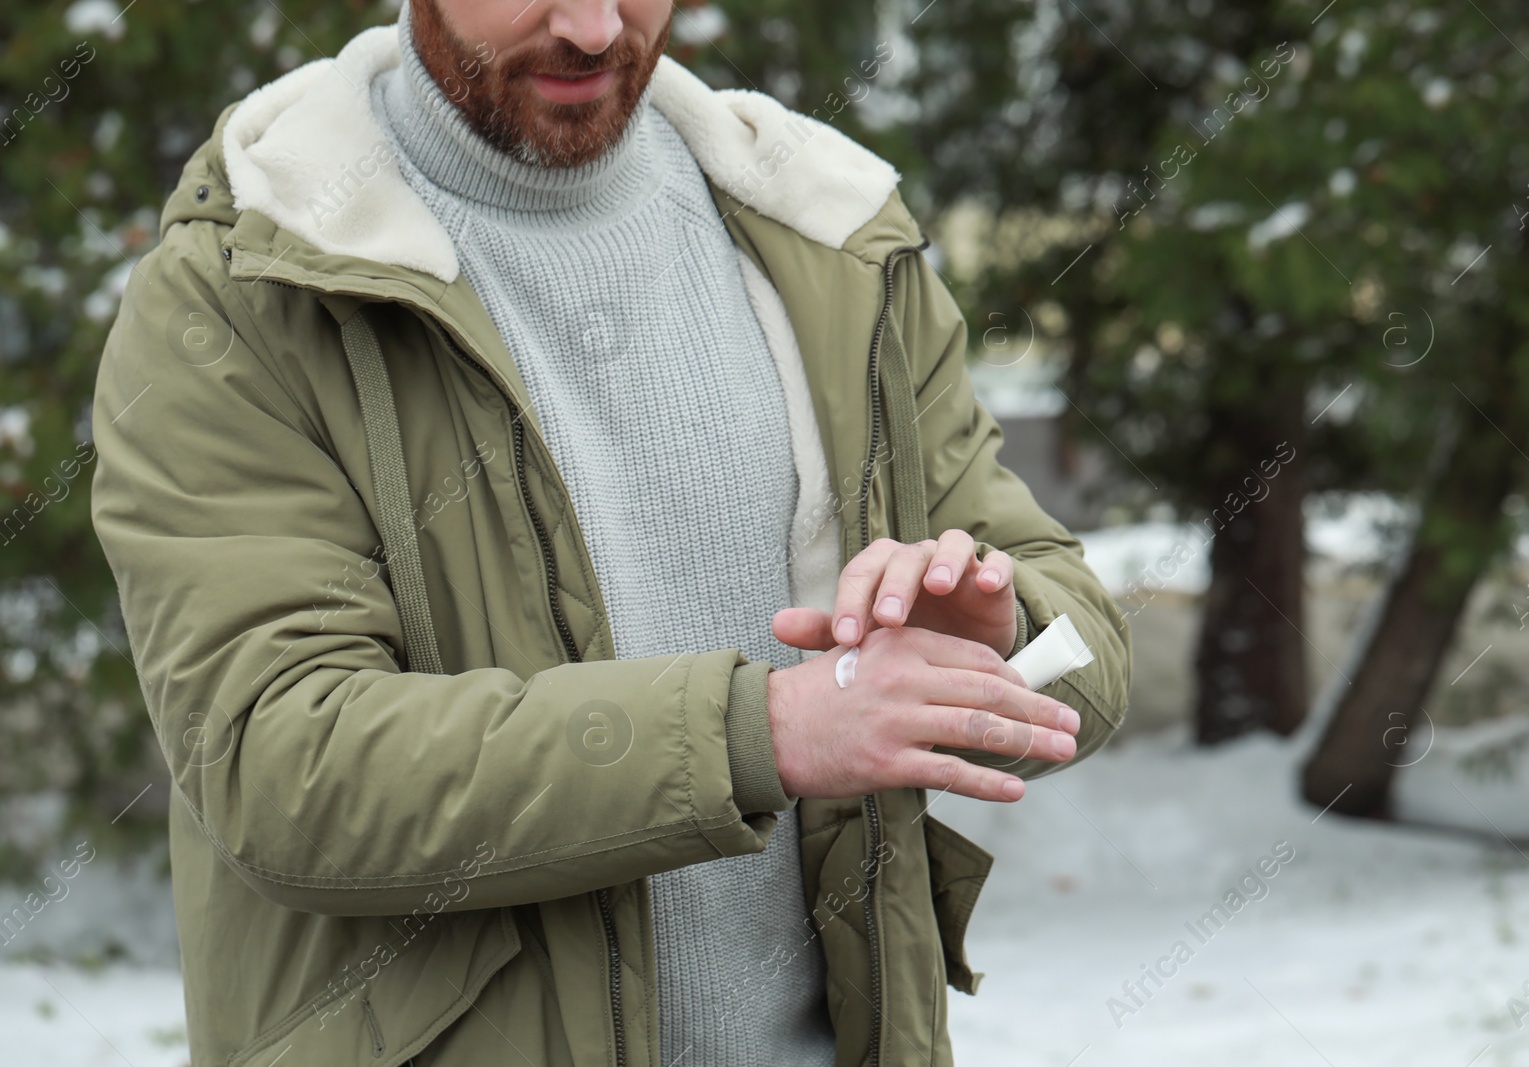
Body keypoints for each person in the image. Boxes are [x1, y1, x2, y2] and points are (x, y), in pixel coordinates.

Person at [89, 1, 1130, 1064]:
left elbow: (1082, 648)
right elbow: (280, 765)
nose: (594, 27)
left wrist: (995, 642)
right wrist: (758, 733)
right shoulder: (245, 289)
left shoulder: (831, 232)